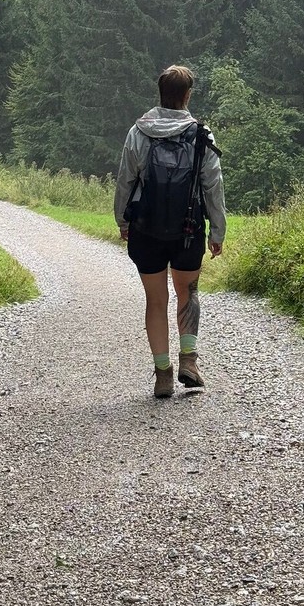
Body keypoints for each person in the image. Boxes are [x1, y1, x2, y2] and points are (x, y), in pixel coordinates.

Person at [114, 64, 226, 399]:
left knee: (155, 299)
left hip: (146, 231)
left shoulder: (139, 132)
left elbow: (125, 181)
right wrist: (216, 231)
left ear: (160, 94)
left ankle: (163, 375)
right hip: (188, 231)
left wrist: (123, 221)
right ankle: (188, 361)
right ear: (187, 95)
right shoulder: (201, 136)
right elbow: (213, 187)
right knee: (187, 293)